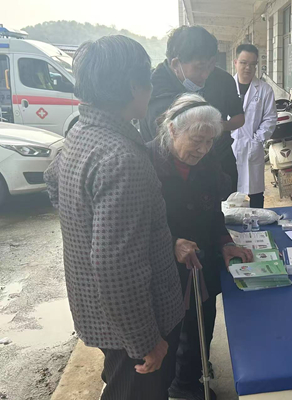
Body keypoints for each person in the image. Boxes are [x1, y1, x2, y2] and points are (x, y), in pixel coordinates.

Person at [44, 36, 184, 400]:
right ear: (134, 87)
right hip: (132, 324)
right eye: (147, 80)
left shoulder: (79, 135)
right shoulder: (121, 158)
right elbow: (116, 265)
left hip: (100, 310)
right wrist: (146, 341)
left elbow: (53, 183)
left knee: (120, 383)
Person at [148, 93, 253, 400]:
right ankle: (175, 384)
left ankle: (192, 378)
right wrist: (170, 243)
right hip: (163, 267)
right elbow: (133, 223)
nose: (202, 149)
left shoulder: (207, 162)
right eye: (196, 140)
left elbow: (213, 212)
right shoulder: (145, 161)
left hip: (201, 258)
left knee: (202, 321)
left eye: (209, 142)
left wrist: (224, 242)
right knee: (174, 330)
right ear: (172, 130)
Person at [140, 26, 244, 195]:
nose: (205, 75)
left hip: (219, 163)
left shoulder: (220, 79)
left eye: (210, 66)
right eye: (200, 68)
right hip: (175, 179)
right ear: (176, 64)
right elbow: (170, 152)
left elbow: (238, 117)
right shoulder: (155, 93)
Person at [231, 44, 277, 208]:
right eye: (243, 62)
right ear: (235, 62)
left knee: (255, 193)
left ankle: (258, 221)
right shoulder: (226, 87)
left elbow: (270, 118)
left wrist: (257, 139)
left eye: (252, 64)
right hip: (229, 146)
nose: (248, 68)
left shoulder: (264, 90)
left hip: (252, 146)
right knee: (228, 190)